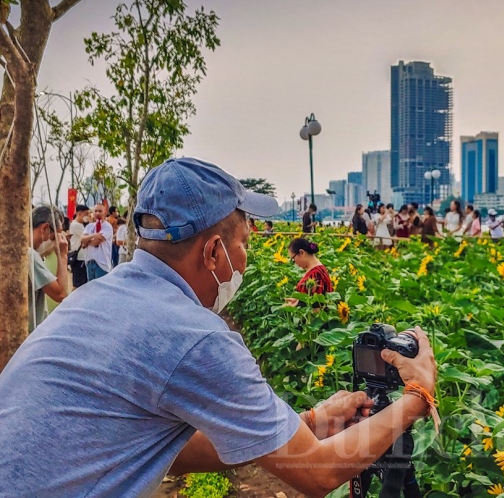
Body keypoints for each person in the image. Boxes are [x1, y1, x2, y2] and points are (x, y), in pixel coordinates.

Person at [0, 157, 437, 496]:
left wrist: (305, 422)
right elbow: (318, 473)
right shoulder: (194, 337)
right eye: (244, 244)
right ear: (213, 253)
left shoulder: (98, 298)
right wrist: (417, 397)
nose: (246, 258)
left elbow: (166, 453)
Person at [28, 205, 69, 333]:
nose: (56, 241)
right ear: (45, 228)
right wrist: (62, 255)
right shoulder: (30, 255)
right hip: (28, 333)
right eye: (55, 237)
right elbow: (60, 293)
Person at [285, 238, 334, 307]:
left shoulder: (315, 274)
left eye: (293, 259)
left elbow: (317, 307)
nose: (295, 263)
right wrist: (298, 301)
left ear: (302, 253)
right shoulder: (317, 270)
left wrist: (299, 305)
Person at [81, 203, 114, 280]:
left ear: (105, 213)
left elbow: (96, 242)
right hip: (89, 262)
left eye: (100, 211)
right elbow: (82, 239)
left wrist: (87, 241)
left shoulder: (107, 226)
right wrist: (94, 235)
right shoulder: (89, 226)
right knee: (91, 289)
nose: (97, 213)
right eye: (95, 211)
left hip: (102, 264)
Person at [69, 204, 90, 289]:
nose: (87, 217)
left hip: (82, 257)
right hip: (79, 258)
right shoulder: (76, 225)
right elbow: (88, 237)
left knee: (81, 283)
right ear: (79, 214)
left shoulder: (80, 225)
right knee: (78, 284)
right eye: (86, 214)